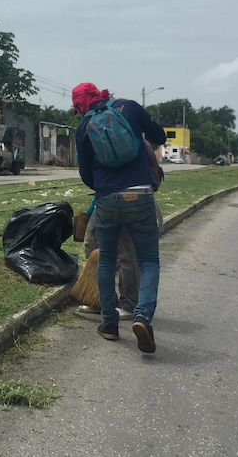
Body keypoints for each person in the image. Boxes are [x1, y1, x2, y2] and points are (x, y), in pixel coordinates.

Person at [73, 82, 166, 353]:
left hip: (107, 200)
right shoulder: (129, 107)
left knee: (106, 260)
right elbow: (158, 136)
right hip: (140, 195)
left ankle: (110, 325)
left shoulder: (84, 126)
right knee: (148, 260)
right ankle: (142, 317)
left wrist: (104, 185)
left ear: (80, 105)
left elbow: (86, 175)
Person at [80, 142, 164, 319]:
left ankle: (129, 303)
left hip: (133, 200)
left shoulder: (137, 141)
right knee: (91, 245)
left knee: (126, 254)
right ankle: (101, 300)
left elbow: (154, 172)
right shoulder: (98, 135)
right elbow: (87, 172)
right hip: (105, 200)